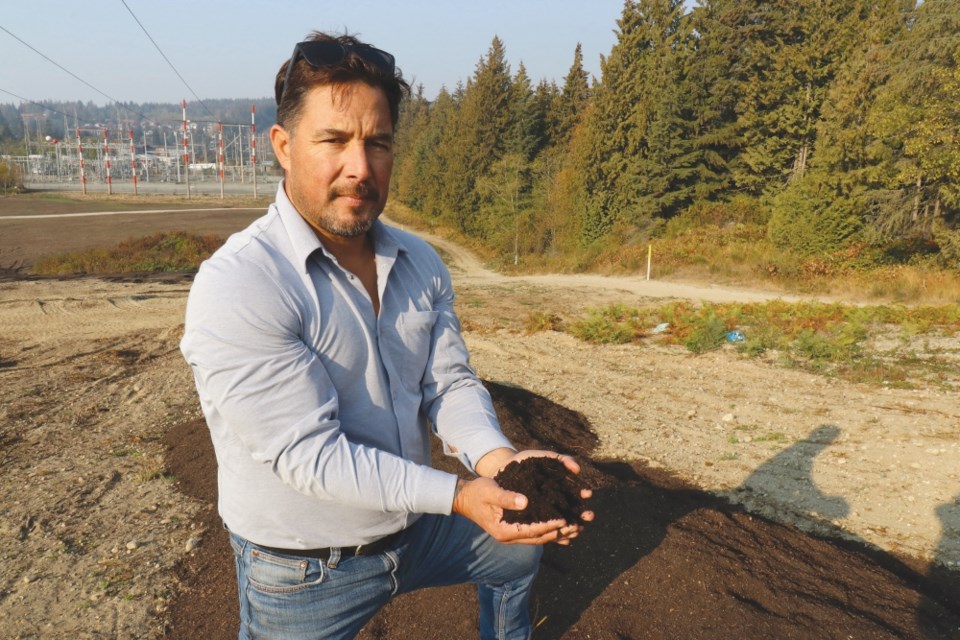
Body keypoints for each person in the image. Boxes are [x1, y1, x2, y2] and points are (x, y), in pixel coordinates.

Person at [180, 31, 593, 640]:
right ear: (284, 146)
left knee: (517, 551)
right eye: (334, 141)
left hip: (417, 525)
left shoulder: (420, 263)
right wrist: (460, 496)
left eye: (378, 143)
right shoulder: (242, 284)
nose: (360, 166)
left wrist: (500, 464)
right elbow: (309, 455)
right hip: (307, 571)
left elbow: (446, 382)